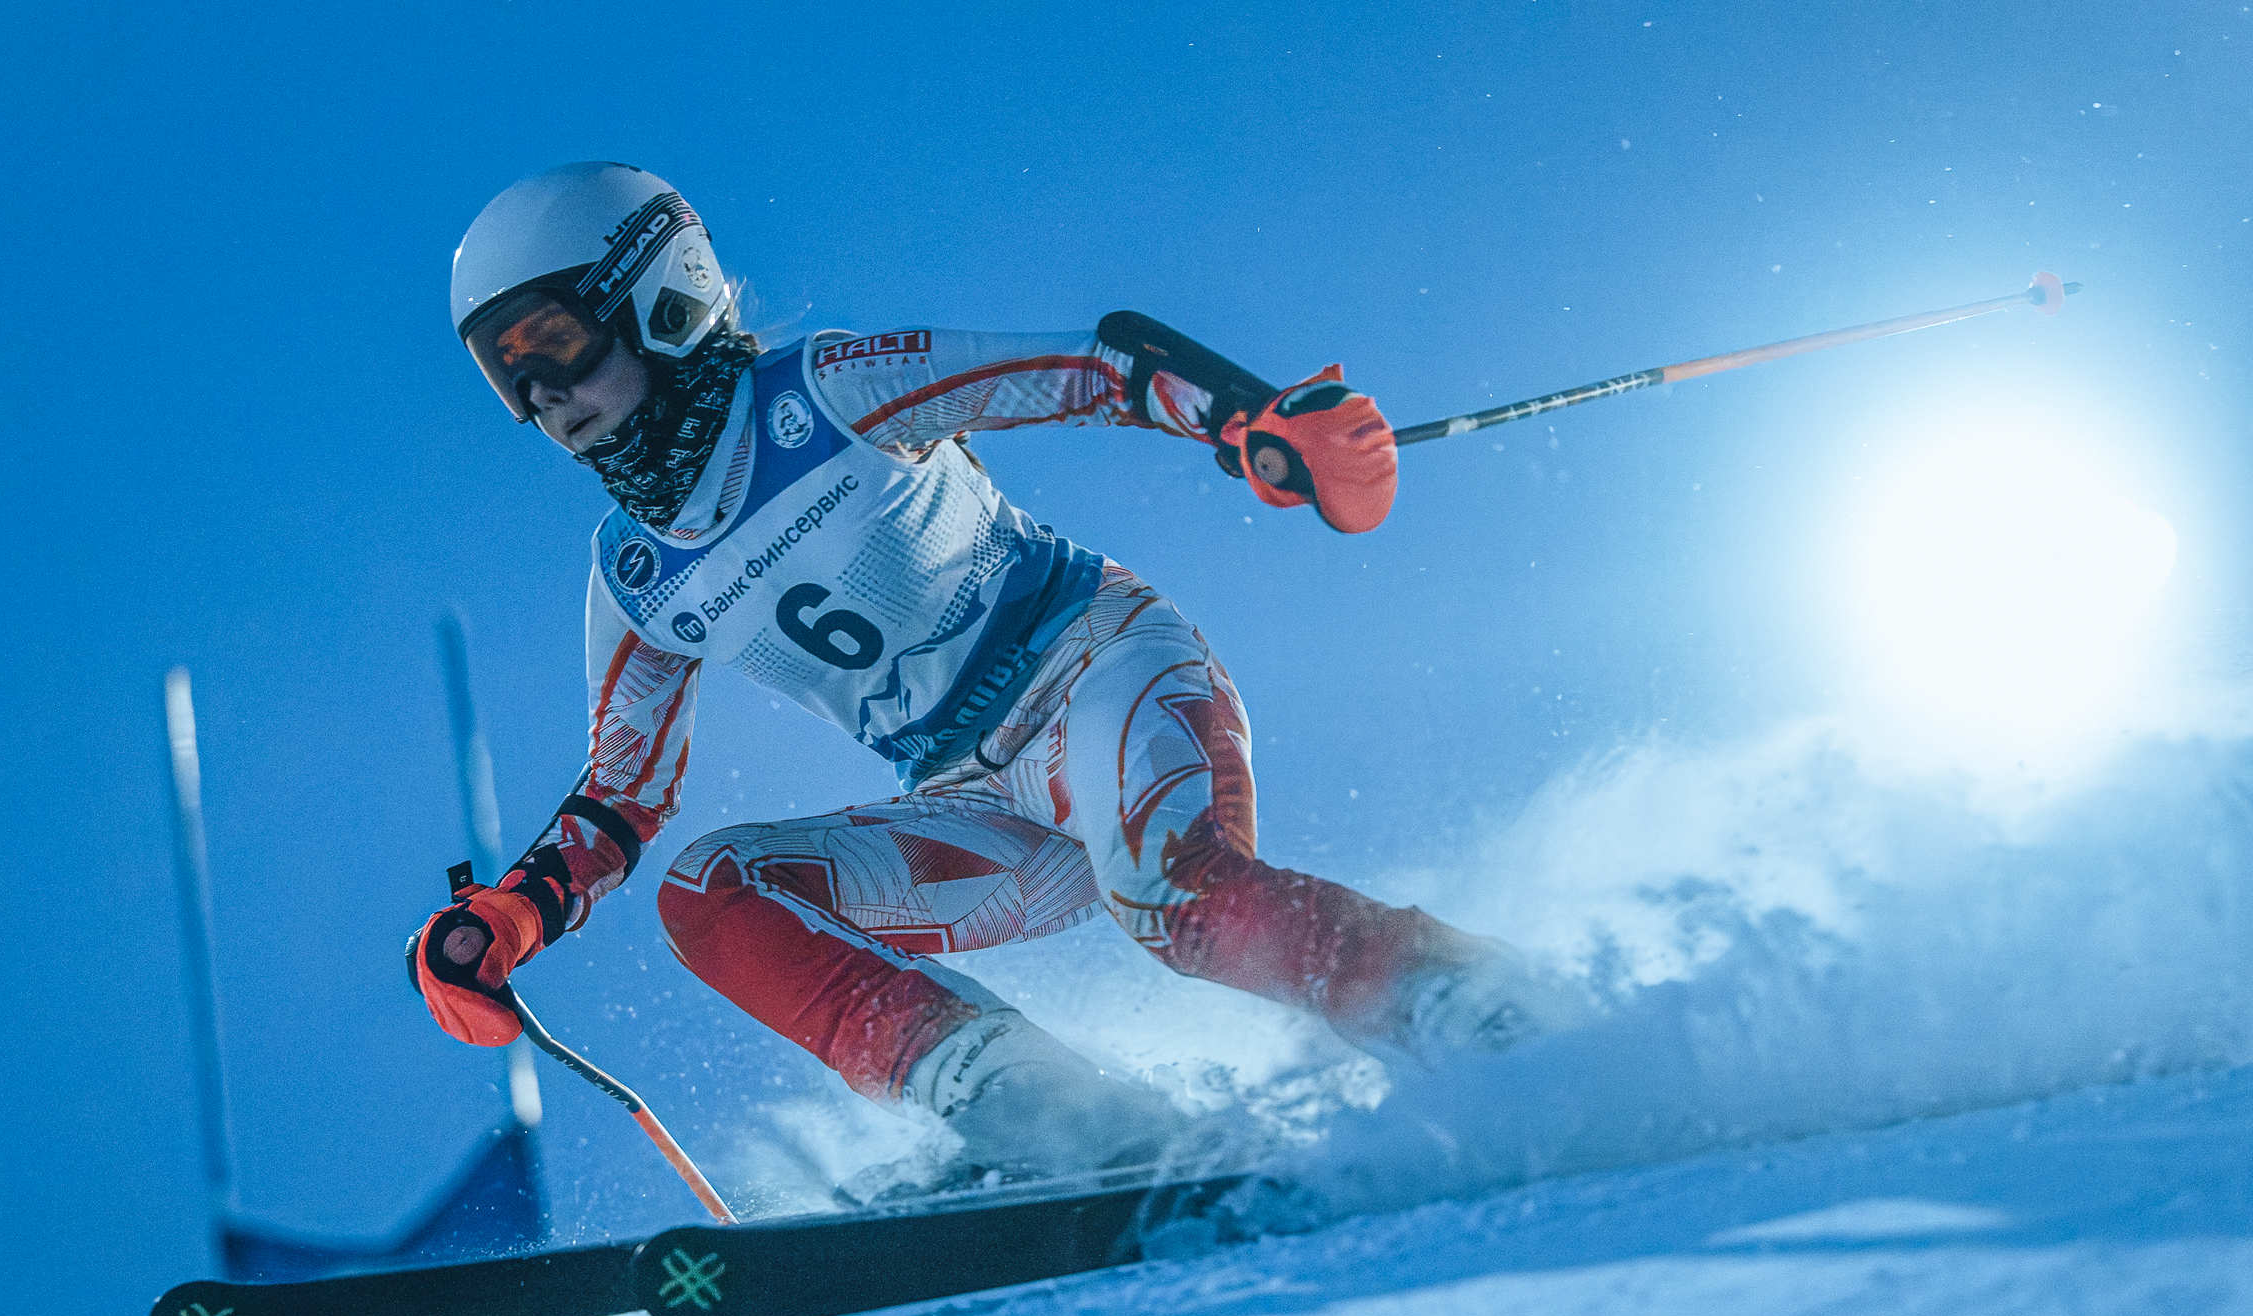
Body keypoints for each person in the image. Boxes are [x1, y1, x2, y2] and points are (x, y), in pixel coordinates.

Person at [410, 162, 1556, 1192]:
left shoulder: (827, 395)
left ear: (657, 292)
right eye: (504, 376)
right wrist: (511, 914)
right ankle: (1052, 1115)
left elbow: (1091, 372)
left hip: (1093, 669)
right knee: (709, 896)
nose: (540, 396)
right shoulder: (635, 574)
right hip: (968, 795)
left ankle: (1479, 1011)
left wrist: (1257, 419)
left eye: (547, 342)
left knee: (1178, 908)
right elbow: (624, 793)